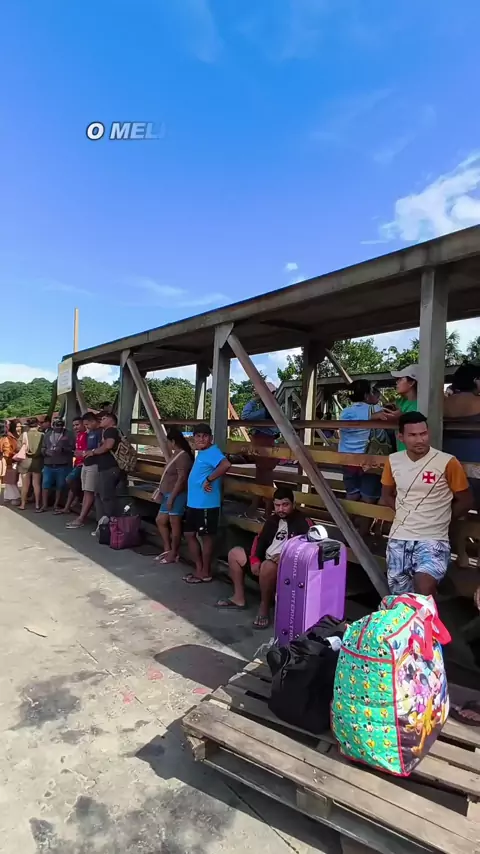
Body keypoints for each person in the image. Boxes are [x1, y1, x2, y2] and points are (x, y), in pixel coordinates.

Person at [381, 411, 473, 597]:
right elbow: (386, 494)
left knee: (424, 587)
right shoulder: (393, 461)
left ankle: (429, 615)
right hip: (399, 537)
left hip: (433, 538)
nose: (420, 440)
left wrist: (441, 517)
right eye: (413, 435)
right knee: (400, 596)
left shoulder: (447, 462)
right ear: (401, 437)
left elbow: (466, 500)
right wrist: (406, 514)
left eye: (423, 434)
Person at [216, 487, 311, 629]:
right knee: (235, 553)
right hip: (264, 562)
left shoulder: (303, 522)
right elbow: (259, 540)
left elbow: (311, 547)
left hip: (285, 570)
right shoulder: (272, 520)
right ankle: (238, 598)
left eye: (285, 505)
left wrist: (286, 556)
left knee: (268, 565)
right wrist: (254, 559)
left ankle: (264, 607)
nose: (281, 509)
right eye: (277, 505)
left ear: (293, 504)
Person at [183, 423, 231, 584]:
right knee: (189, 534)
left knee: (206, 538)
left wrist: (209, 479)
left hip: (206, 503)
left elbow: (226, 465)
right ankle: (199, 568)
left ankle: (205, 572)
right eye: (198, 436)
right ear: (194, 438)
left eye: (205, 436)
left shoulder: (213, 452)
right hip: (194, 503)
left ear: (210, 438)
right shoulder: (203, 453)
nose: (201, 439)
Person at [339, 379, 385, 534]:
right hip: (368, 460)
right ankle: (363, 534)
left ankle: (346, 530)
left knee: (352, 494)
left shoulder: (345, 412)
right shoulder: (376, 410)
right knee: (368, 498)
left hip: (347, 459)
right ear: (366, 395)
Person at [443, 363, 480, 509]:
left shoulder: (443, 403)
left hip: (447, 454)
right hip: (475, 455)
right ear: (475, 380)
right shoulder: (477, 402)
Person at [154, 428, 194, 564]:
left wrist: (172, 497)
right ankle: (168, 549)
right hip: (168, 492)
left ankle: (173, 552)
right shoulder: (176, 454)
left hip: (177, 494)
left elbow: (182, 478)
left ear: (173, 441)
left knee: (174, 523)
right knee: (161, 520)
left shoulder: (183, 456)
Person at [241, 384, 279, 519]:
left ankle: (265, 513)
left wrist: (254, 400)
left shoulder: (266, 411)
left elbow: (245, 416)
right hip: (266, 444)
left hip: (264, 444)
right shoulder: (271, 409)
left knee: (265, 480)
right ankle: (256, 510)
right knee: (262, 480)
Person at [84, 411, 126, 520]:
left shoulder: (110, 430)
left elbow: (108, 445)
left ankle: (108, 523)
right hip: (109, 467)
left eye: (103, 418)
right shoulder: (112, 431)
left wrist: (93, 452)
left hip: (109, 467)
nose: (101, 420)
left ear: (111, 420)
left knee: (105, 496)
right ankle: (102, 522)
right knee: (99, 494)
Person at [66, 412, 101, 529]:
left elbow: (99, 448)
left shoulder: (99, 433)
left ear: (93, 421)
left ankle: (81, 518)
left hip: (94, 464)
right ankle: (81, 516)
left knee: (89, 491)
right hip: (86, 463)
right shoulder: (89, 433)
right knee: (86, 491)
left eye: (87, 424)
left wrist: (85, 453)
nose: (86, 427)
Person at [41, 418, 75, 512]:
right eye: (57, 425)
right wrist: (46, 452)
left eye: (61, 425)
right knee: (45, 485)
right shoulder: (47, 434)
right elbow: (42, 447)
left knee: (60, 486)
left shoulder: (68, 434)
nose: (59, 427)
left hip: (62, 464)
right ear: (53, 425)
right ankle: (44, 505)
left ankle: (56, 505)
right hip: (48, 463)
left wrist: (63, 449)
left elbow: (73, 448)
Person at [382, 365, 418, 451]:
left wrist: (402, 417)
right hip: (402, 452)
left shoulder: (423, 404)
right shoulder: (400, 402)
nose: (397, 382)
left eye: (400, 379)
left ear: (411, 383)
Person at [18, 417, 44, 511]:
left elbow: (18, 448)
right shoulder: (42, 435)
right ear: (37, 424)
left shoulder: (24, 435)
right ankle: (37, 505)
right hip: (37, 461)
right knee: (36, 484)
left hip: (25, 461)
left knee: (25, 485)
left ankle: (23, 504)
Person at [63, 417, 88, 514]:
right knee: (72, 485)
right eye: (73, 425)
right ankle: (67, 507)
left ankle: (78, 497)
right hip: (77, 463)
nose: (75, 427)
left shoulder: (86, 435)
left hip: (83, 464)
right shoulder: (78, 436)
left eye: (77, 425)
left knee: (69, 480)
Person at [0, 419, 21, 504]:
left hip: (7, 461)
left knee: (9, 480)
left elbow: (7, 451)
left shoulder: (6, 437)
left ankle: (14, 497)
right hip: (8, 460)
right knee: (9, 480)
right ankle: (11, 496)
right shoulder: (8, 437)